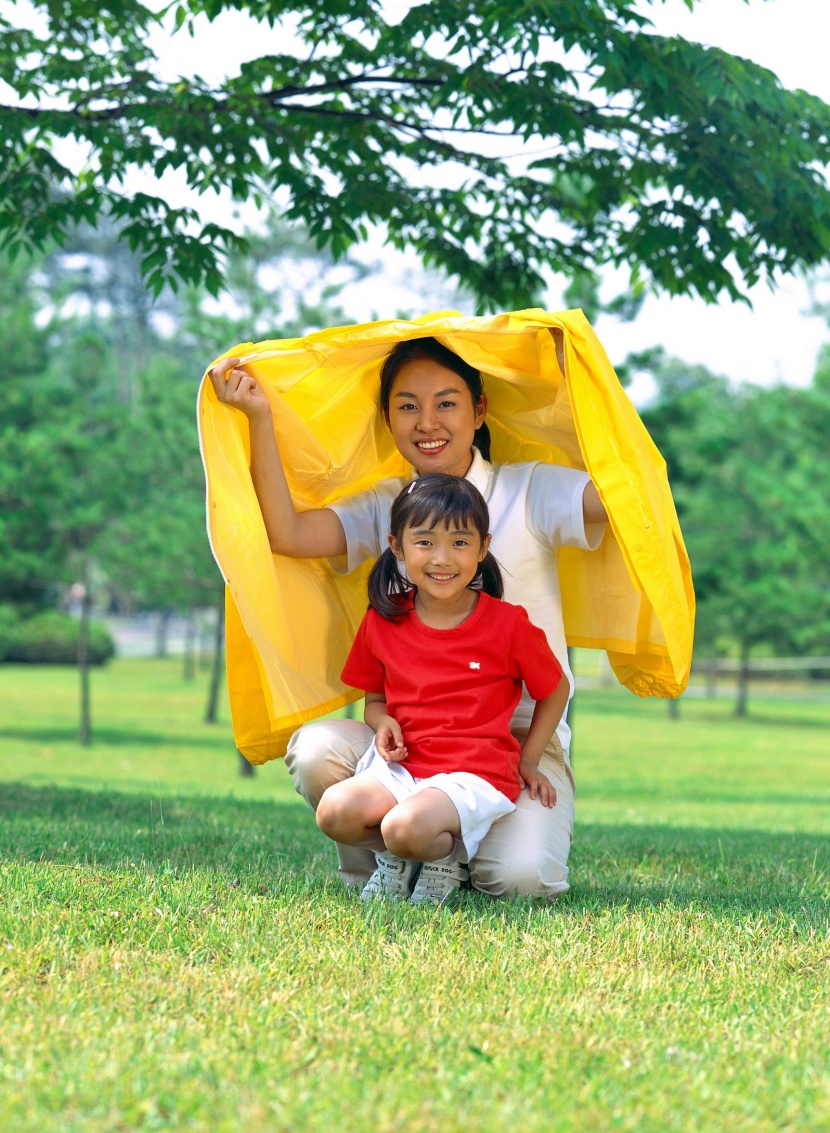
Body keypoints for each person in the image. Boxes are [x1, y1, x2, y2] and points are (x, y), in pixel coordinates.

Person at [207, 335, 608, 901]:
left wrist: (588, 392)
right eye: (407, 405)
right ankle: (394, 863)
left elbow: (620, 501)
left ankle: (444, 853)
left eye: (446, 402)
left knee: (518, 881)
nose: (428, 422)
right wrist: (259, 416)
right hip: (413, 743)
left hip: (514, 743)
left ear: (480, 410)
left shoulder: (531, 489)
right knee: (316, 750)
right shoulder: (388, 507)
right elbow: (288, 534)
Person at [316, 473, 568, 904]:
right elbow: (374, 701)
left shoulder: (508, 625)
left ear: (483, 547)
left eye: (459, 542)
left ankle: (444, 860)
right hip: (403, 767)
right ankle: (399, 859)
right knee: (334, 812)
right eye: (425, 542)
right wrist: (383, 723)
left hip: (474, 772)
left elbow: (555, 689)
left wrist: (528, 759)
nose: (442, 558)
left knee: (402, 827)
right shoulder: (383, 619)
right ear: (397, 546)